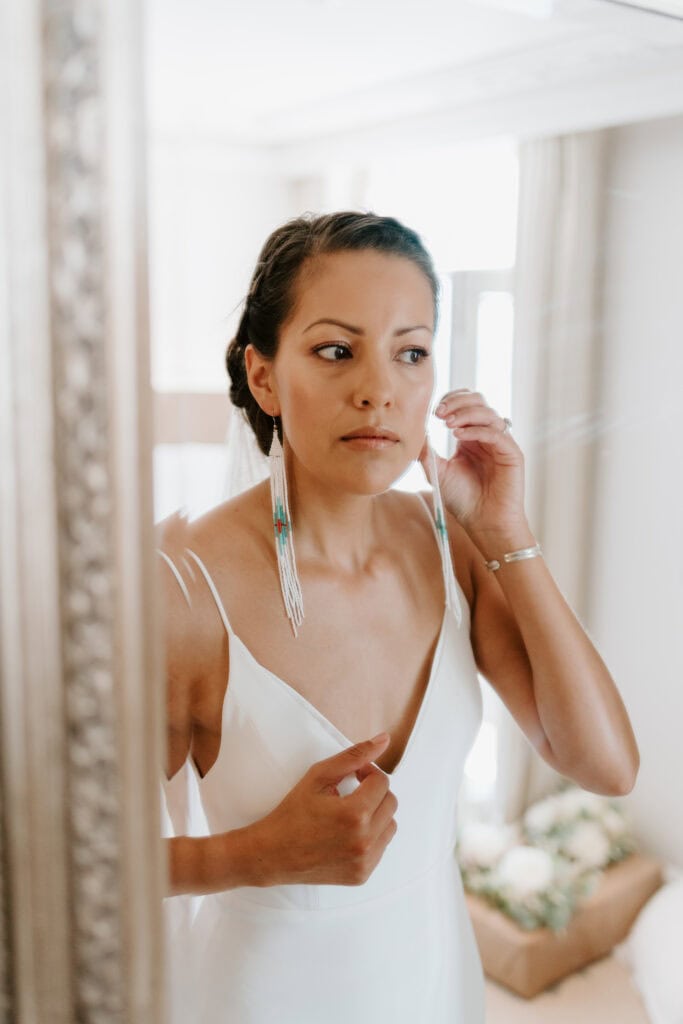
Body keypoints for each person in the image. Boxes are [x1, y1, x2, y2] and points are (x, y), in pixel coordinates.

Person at [158, 211, 639, 1023]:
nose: (378, 387)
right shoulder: (182, 590)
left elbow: (604, 766)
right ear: (265, 376)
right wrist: (255, 855)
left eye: (409, 352)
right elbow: (66, 867)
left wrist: (505, 535)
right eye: (335, 350)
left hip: (429, 975)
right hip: (260, 997)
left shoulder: (450, 548)